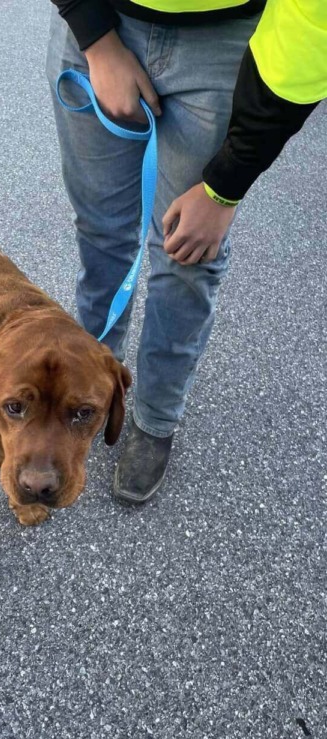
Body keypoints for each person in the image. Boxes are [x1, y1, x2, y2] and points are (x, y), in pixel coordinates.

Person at [46, 0, 326, 503]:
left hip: (227, 41)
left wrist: (225, 186)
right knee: (100, 233)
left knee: (187, 258)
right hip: (100, 16)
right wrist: (96, 37)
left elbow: (312, 25)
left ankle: (153, 418)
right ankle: (87, 388)